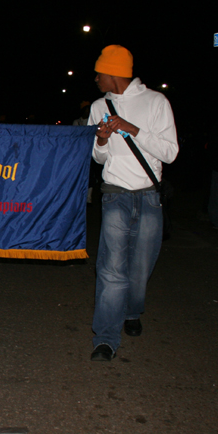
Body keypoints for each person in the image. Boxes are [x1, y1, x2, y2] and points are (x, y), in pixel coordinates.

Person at [86, 45, 179, 361]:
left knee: (139, 269)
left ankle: (132, 311)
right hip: (114, 194)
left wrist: (132, 129)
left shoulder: (156, 102)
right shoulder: (100, 106)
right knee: (112, 270)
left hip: (149, 196)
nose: (96, 78)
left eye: (100, 72)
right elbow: (98, 158)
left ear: (113, 73)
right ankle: (106, 339)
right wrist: (100, 140)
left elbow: (170, 152)